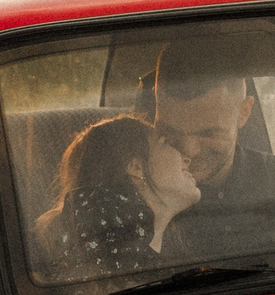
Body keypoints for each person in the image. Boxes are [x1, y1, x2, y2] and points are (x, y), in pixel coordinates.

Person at [146, 39, 275, 260]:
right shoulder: (131, 195)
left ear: (244, 112)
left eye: (209, 134)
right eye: (170, 131)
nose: (189, 151)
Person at [35, 114, 200, 281]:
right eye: (168, 144)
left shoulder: (181, 247)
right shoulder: (105, 257)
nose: (187, 158)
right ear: (136, 167)